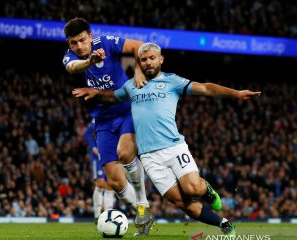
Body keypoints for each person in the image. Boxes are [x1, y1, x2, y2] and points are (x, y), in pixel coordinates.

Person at [72, 42, 262, 236]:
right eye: (143, 59)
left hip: (174, 148)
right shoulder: (131, 85)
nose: (148, 63)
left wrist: (236, 93)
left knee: (192, 188)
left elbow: (205, 88)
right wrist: (96, 92)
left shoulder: (172, 81)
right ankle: (224, 223)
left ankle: (207, 190)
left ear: (161, 59)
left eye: (152, 58)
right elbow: (113, 96)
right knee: (182, 203)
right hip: (149, 158)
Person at [62, 18, 153, 236]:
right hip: (101, 120)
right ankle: (143, 213)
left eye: (82, 40)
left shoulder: (107, 42)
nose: (79, 46)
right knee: (114, 182)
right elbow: (73, 67)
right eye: (74, 43)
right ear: (69, 43)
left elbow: (140, 46)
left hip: (127, 111)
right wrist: (90, 61)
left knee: (124, 152)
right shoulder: (70, 57)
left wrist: (138, 71)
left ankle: (142, 202)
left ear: (90, 37)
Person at [84, 119, 116, 224]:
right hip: (97, 156)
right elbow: (87, 133)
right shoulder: (100, 115)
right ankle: (97, 215)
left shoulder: (117, 116)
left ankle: (108, 214)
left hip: (111, 153)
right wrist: (93, 147)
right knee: (100, 183)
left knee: (110, 185)